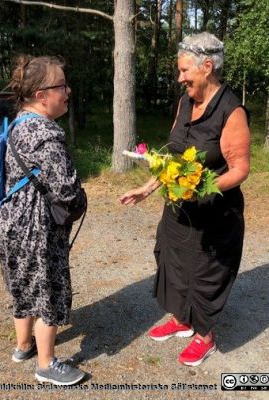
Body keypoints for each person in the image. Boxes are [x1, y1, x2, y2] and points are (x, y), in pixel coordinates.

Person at [120, 32, 250, 367]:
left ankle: (205, 336)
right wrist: (148, 188)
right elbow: (175, 156)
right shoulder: (185, 102)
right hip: (179, 208)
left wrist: (202, 188)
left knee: (204, 270)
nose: (180, 78)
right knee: (174, 262)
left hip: (215, 212)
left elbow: (240, 169)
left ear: (207, 67)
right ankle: (181, 319)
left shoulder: (231, 110)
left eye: (184, 71)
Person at [0, 55, 86, 385]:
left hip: (9, 223)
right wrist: (82, 200)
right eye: (62, 86)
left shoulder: (18, 123)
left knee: (22, 286)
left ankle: (23, 345)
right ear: (42, 95)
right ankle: (46, 363)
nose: (68, 91)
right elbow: (67, 191)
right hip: (37, 228)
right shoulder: (46, 134)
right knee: (48, 290)